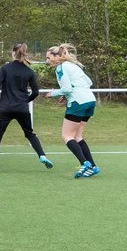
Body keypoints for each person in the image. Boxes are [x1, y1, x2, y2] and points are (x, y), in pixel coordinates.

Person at [0, 43, 53, 173]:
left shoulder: (5, 68)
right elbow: (36, 92)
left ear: (13, 53)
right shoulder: (29, 71)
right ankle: (42, 155)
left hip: (6, 107)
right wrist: (25, 101)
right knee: (30, 134)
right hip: (22, 108)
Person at [45, 43, 99, 178]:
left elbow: (68, 89)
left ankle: (84, 163)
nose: (47, 60)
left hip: (78, 102)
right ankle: (93, 166)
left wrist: (54, 93)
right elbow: (89, 82)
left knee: (67, 136)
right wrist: (66, 94)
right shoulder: (74, 65)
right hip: (90, 100)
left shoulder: (61, 67)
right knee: (77, 136)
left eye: (48, 57)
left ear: (57, 56)